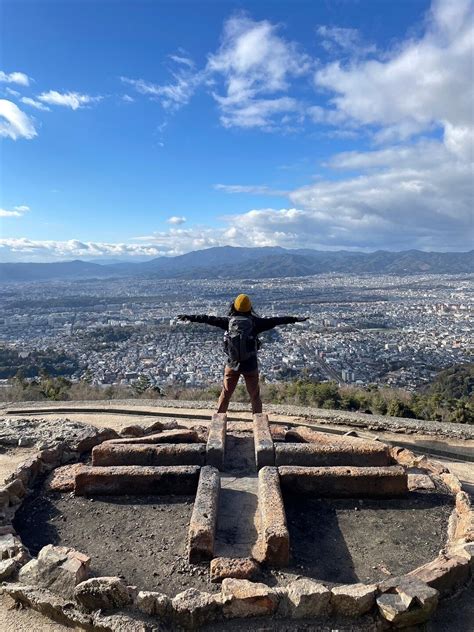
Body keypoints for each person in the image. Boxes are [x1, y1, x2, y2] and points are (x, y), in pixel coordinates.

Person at [177, 293, 307, 413]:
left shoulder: (228, 322)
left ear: (234, 306)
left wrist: (189, 317)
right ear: (250, 307)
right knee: (254, 396)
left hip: (232, 364)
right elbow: (277, 320)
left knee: (226, 393)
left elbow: (207, 319)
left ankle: (219, 417)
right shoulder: (256, 323)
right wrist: (295, 318)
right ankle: (258, 420)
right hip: (250, 365)